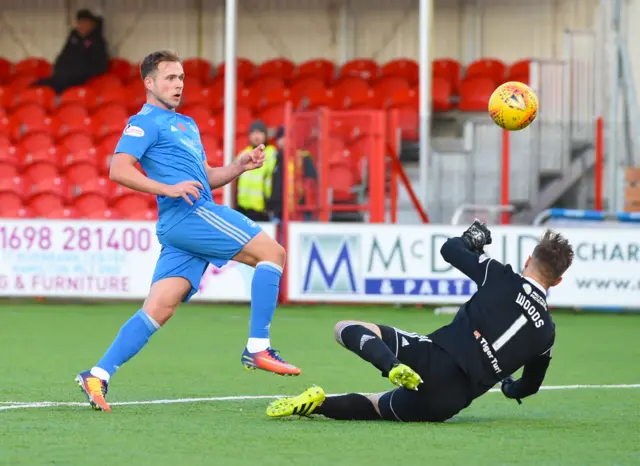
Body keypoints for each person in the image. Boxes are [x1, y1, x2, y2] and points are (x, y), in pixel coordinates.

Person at [75, 50, 300, 413]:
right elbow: (118, 168)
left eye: (181, 78)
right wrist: (166, 188)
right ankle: (258, 347)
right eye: (169, 78)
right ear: (149, 83)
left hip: (185, 223)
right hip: (191, 216)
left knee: (159, 308)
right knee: (274, 253)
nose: (178, 84)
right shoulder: (144, 122)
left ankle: (97, 373)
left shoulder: (187, 124)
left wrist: (238, 166)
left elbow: (203, 179)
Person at [266, 221, 574, 422]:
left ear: (527, 262)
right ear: (558, 281)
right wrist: (509, 388)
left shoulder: (501, 275)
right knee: (376, 407)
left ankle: (391, 366)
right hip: (451, 402)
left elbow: (449, 249)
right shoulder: (547, 332)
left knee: (345, 328)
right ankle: (319, 405)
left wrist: (470, 239)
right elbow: (529, 386)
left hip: (435, 359)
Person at [33, 9, 109, 94]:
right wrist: (58, 68)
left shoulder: (98, 42)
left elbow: (100, 66)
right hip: (64, 76)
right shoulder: (74, 36)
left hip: (81, 79)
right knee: (37, 86)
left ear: (92, 24)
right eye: (80, 22)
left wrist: (78, 71)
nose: (82, 25)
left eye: (85, 22)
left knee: (57, 86)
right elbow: (64, 54)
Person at [234, 120, 276, 222]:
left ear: (265, 135)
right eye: (253, 132)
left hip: (263, 209)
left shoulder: (272, 153)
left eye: (260, 132)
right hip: (243, 208)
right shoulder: (243, 153)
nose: (256, 136)